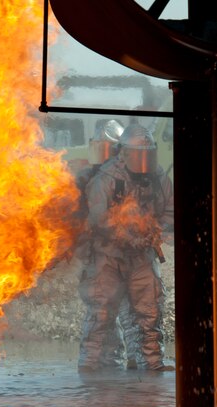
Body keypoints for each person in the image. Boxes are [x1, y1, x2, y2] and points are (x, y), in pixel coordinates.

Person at [78, 123, 174, 372]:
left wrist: (155, 233)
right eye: (139, 154)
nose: (144, 160)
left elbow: (171, 210)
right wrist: (129, 237)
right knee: (101, 314)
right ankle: (92, 370)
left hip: (143, 256)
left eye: (148, 154)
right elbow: (99, 218)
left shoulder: (158, 176)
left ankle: (151, 366)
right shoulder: (107, 178)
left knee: (149, 312)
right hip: (108, 257)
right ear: (125, 153)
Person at [75, 119, 138, 369]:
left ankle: (131, 365)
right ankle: (95, 367)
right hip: (100, 255)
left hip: (128, 253)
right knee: (101, 313)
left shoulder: (134, 177)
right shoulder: (87, 178)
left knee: (134, 312)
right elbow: (82, 218)